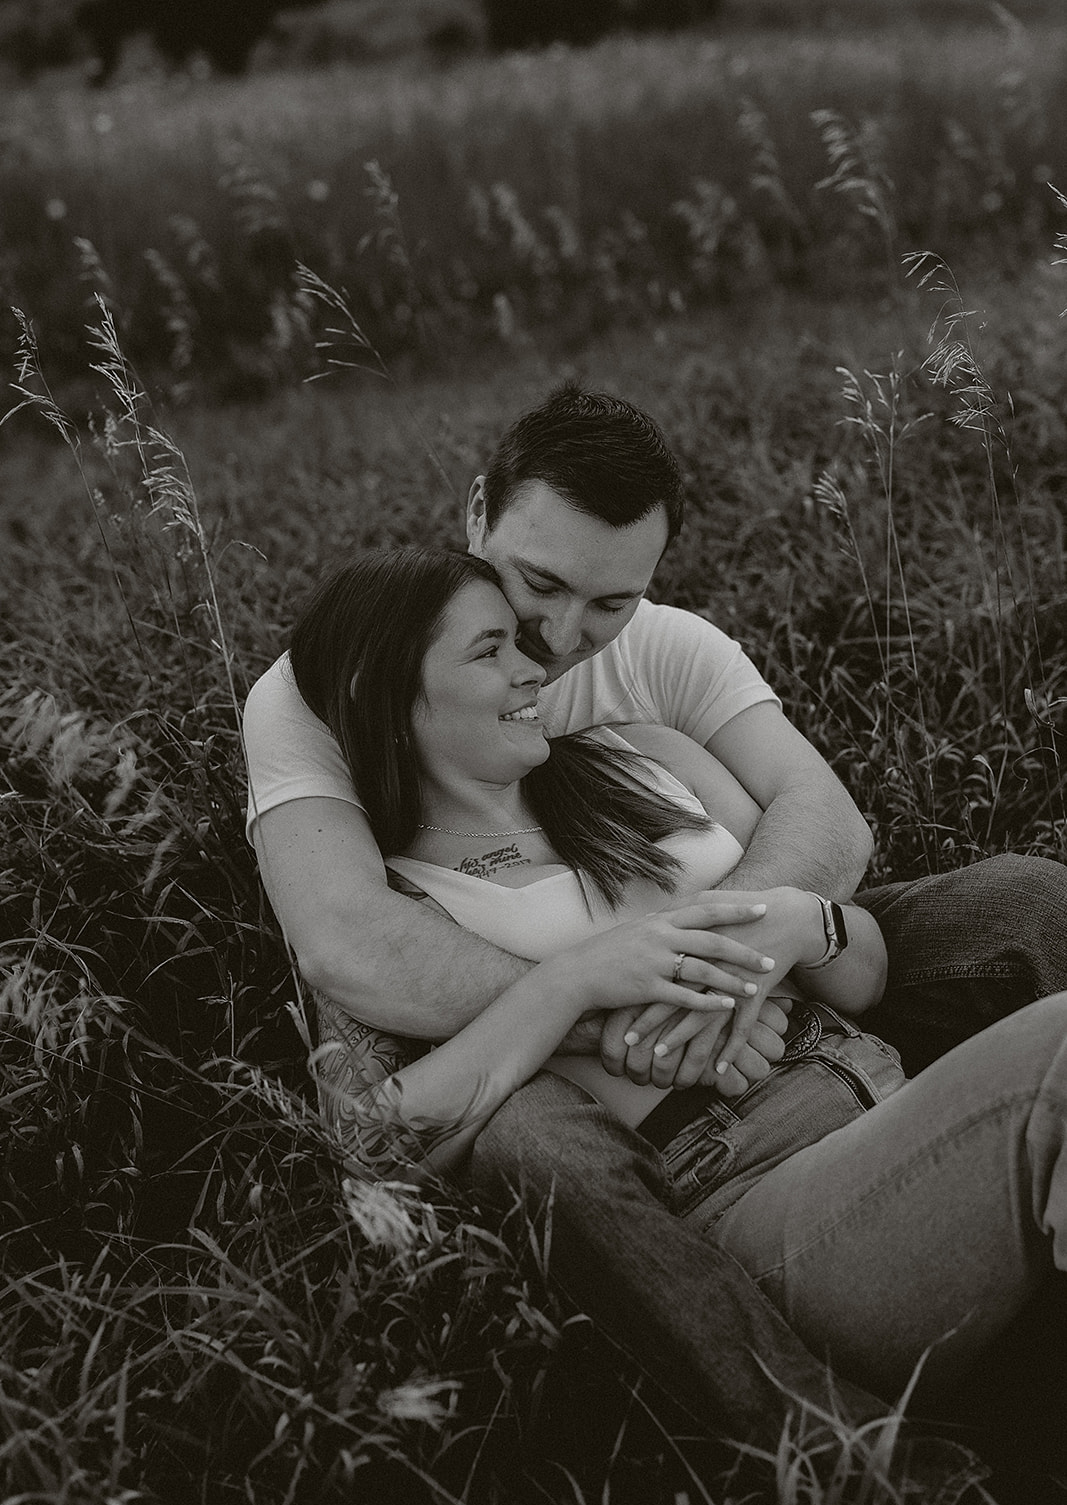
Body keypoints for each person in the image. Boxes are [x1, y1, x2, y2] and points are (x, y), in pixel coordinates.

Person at [243, 383, 1067, 1442]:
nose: (553, 641)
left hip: (823, 1041)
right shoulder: (313, 699)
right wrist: (607, 996)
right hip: (723, 1157)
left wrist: (748, 950)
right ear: (477, 512)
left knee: (1028, 897)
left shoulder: (645, 702)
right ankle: (827, 1447)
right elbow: (352, 952)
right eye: (529, 594)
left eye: (608, 604)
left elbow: (822, 822)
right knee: (528, 1137)